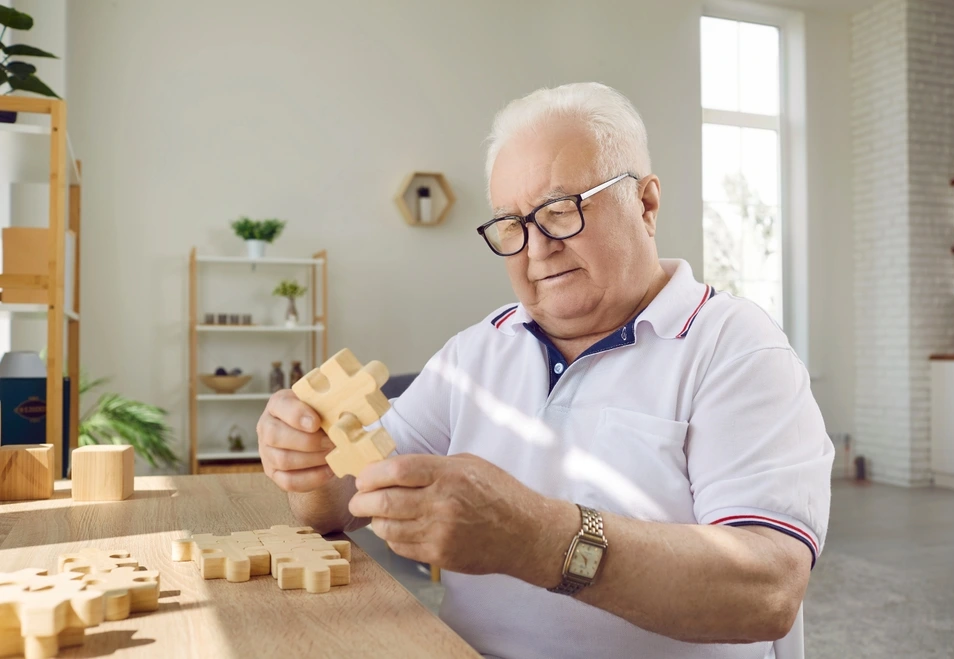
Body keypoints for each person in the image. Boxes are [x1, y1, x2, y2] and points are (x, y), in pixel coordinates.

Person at [257, 82, 833, 659]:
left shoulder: (737, 349)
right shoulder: (476, 351)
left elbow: (767, 590)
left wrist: (536, 539)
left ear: (645, 204)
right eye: (511, 225)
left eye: (561, 211)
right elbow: (341, 500)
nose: (536, 249)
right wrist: (307, 463)